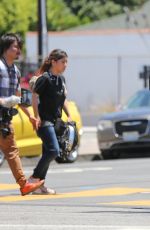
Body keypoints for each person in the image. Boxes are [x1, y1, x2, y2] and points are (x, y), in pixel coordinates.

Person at [0, 33, 44, 196]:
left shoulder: (16, 71)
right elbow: (9, 99)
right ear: (6, 48)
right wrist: (4, 101)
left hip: (5, 118)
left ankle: (24, 184)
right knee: (11, 151)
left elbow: (18, 98)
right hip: (2, 113)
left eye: (20, 47)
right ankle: (23, 184)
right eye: (15, 47)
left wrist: (30, 115)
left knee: (12, 151)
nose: (19, 50)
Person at [28, 49, 72, 194]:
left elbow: (63, 99)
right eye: (63, 62)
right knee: (53, 150)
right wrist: (36, 116)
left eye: (66, 62)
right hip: (44, 121)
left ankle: (39, 185)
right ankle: (34, 178)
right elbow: (34, 96)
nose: (66, 65)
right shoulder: (45, 78)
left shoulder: (61, 80)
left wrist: (69, 115)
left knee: (48, 151)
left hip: (55, 121)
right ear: (53, 62)